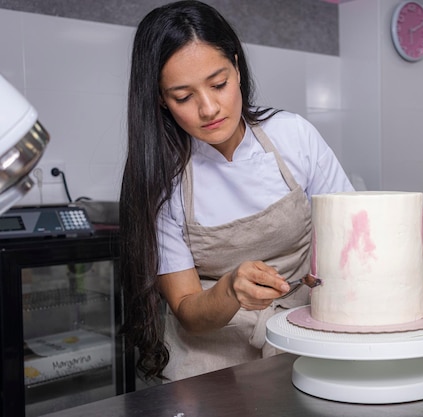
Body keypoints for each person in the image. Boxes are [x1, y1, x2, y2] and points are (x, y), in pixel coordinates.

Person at [119, 0, 354, 382]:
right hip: (208, 362)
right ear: (161, 99)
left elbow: (347, 229)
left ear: (236, 66)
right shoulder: (161, 180)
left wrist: (327, 272)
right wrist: (230, 290)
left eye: (219, 84)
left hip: (302, 337)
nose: (209, 108)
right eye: (183, 96)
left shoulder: (292, 136)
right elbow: (188, 310)